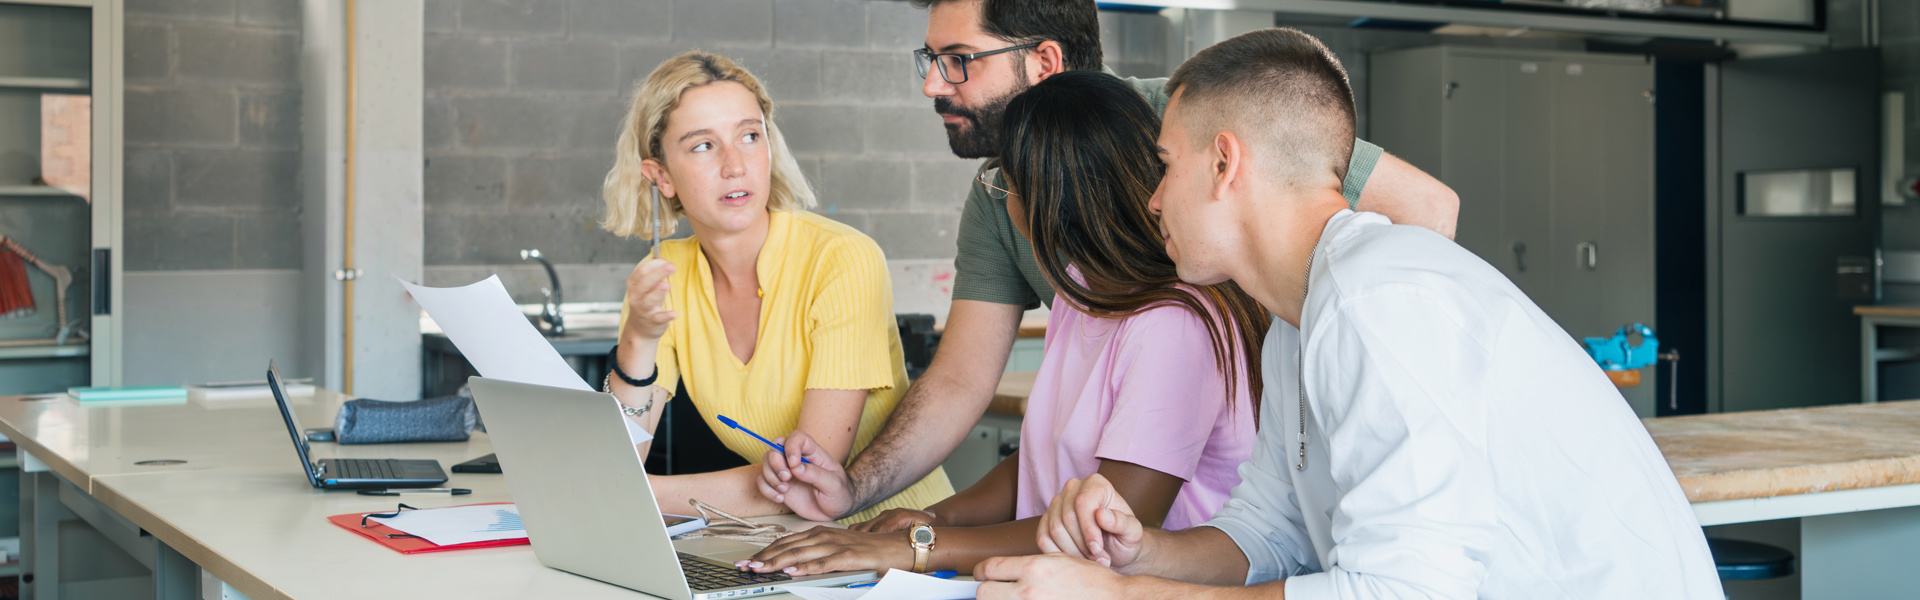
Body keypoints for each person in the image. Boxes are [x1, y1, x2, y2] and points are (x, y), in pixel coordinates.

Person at [974, 29, 1722, 599]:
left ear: (1225, 163)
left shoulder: (1378, 299)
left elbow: (1402, 592)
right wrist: (1136, 552)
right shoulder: (1299, 321)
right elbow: (1271, 533)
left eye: (1165, 166)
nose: (1153, 200)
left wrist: (1127, 596)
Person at [757, 0, 1462, 526]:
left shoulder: (1191, 113)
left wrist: (1323, 408)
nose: (933, 85)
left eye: (959, 60)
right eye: (930, 60)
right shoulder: (1007, 200)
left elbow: (1427, 210)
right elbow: (962, 381)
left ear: (1045, 62)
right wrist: (860, 492)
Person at [737, 71, 1267, 577]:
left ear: (1041, 199)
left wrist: (916, 549)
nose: (998, 193)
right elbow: (1047, 463)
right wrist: (937, 519)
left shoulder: (1173, 325)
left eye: (1002, 180)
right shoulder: (1080, 292)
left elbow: (1105, 528)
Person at [602, 51, 952, 522]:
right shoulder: (664, 273)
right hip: (790, 543)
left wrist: (636, 494)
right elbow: (621, 458)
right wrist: (640, 339)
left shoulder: (841, 258)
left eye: (749, 136)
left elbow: (809, 479)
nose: (735, 165)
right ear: (660, 176)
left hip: (905, 543)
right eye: (703, 146)